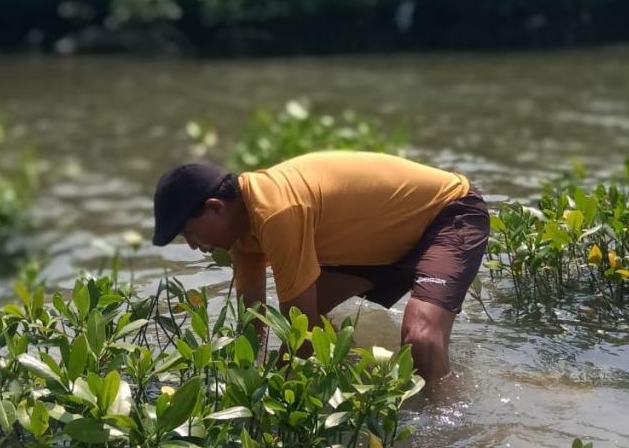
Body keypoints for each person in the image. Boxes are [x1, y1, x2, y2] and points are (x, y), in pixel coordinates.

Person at [151, 151, 489, 378]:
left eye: (189, 232)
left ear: (215, 207)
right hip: (383, 240)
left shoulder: (276, 211)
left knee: (420, 338)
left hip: (448, 212)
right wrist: (240, 379)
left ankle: (448, 437)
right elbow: (253, 325)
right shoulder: (243, 234)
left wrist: (269, 401)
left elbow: (302, 337)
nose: (193, 245)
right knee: (317, 317)